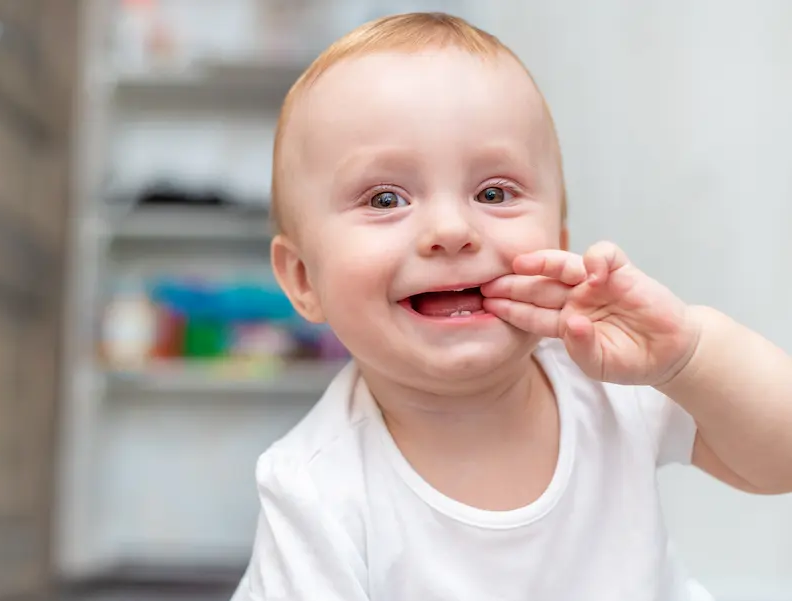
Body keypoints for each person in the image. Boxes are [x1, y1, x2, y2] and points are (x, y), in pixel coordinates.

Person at [230, 12, 792, 600]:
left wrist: (688, 356)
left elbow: (778, 463)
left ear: (560, 238)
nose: (450, 229)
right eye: (386, 198)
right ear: (302, 279)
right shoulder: (314, 490)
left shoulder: (605, 380)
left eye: (493, 192)